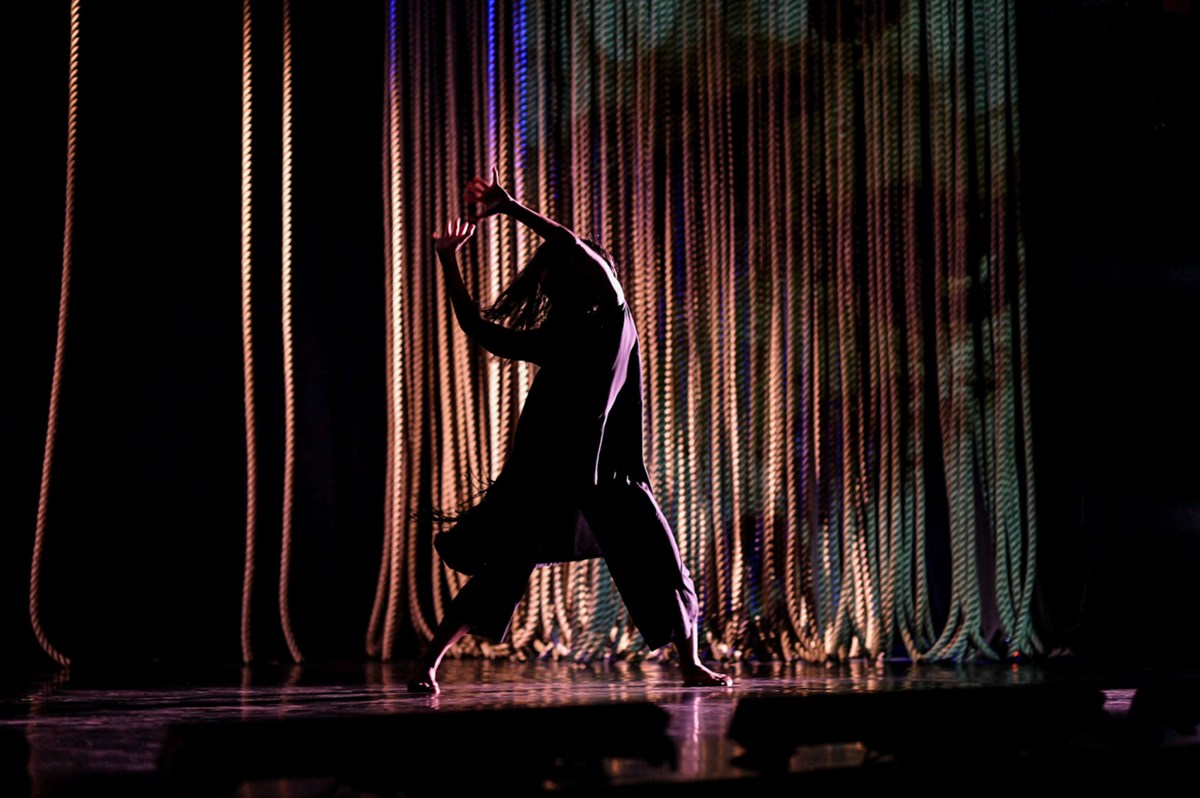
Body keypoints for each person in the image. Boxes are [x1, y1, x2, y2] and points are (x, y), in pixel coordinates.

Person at [407, 167, 731, 694]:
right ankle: (428, 662)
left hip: (609, 471)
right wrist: (447, 261)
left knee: (659, 559)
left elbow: (571, 243)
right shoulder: (558, 336)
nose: (553, 272)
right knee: (503, 569)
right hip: (551, 470)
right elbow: (481, 330)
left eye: (562, 265)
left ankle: (691, 662)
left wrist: (511, 208)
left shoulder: (614, 310)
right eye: (552, 269)